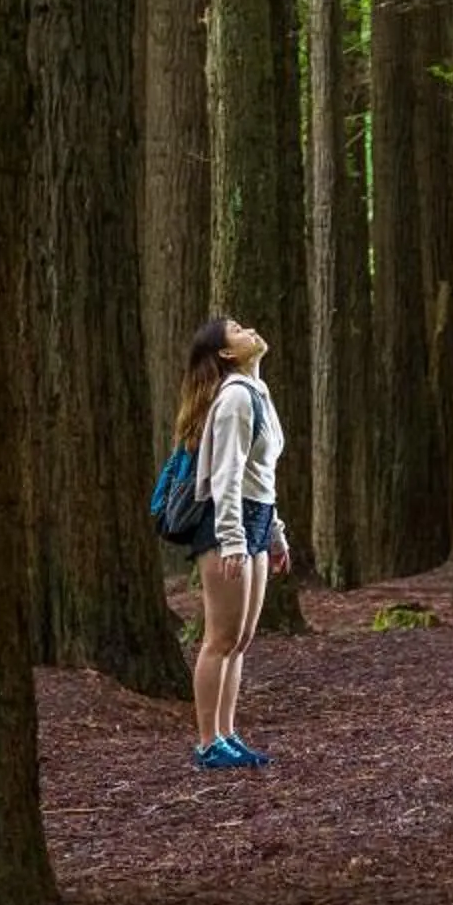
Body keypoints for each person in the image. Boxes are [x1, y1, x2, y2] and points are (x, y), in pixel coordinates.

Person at [173, 314, 290, 770]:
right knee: (219, 638)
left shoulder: (256, 392)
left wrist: (274, 534)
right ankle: (207, 743)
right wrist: (233, 540)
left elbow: (261, 476)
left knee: (240, 640)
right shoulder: (236, 398)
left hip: (256, 517)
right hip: (230, 521)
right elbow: (226, 477)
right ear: (226, 354)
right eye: (238, 332)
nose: (251, 332)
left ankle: (227, 733)